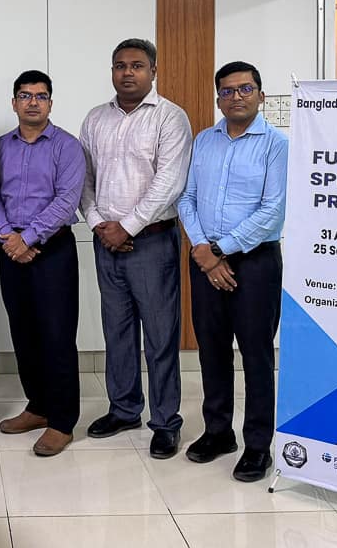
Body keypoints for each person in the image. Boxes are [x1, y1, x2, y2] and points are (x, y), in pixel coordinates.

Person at [79, 38, 193, 459]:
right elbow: (83, 179)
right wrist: (97, 224)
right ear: (112, 71)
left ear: (153, 71)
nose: (128, 73)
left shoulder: (169, 118)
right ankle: (124, 408)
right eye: (120, 65)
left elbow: (170, 182)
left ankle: (165, 421)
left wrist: (126, 226)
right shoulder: (94, 119)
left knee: (160, 337)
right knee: (118, 332)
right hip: (105, 242)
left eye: (137, 66)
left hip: (152, 242)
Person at [178, 61, 287, 482]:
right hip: (206, 259)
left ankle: (258, 444)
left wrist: (220, 249)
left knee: (256, 354)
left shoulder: (278, 145)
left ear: (261, 95)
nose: (236, 96)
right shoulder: (205, 141)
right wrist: (204, 251)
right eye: (226, 90)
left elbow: (273, 209)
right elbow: (186, 197)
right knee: (212, 349)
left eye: (245, 89)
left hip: (255, 262)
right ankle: (218, 431)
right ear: (217, 97)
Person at [0, 71, 85, 457]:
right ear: (13, 102)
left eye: (40, 96)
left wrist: (27, 238)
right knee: (23, 332)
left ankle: (61, 421)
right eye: (25, 96)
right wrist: (9, 236)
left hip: (52, 249)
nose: (32, 103)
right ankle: (38, 406)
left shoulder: (67, 146)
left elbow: (66, 200)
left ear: (50, 104)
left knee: (57, 336)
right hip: (11, 248)